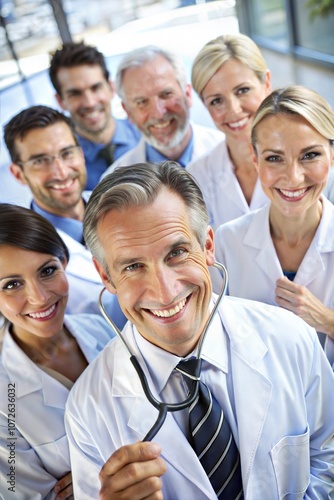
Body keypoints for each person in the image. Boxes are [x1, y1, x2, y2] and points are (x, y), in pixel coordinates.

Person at [64, 162, 334, 499]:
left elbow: (327, 459)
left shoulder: (291, 339)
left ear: (207, 246)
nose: (164, 291)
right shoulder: (89, 409)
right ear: (106, 277)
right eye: (133, 266)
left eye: (176, 253)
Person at [214, 85, 334, 368]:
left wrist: (326, 320)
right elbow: (213, 339)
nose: (293, 178)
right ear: (255, 160)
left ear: (332, 154)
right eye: (274, 158)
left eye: (310, 155)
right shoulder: (229, 241)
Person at [0, 204, 115, 499]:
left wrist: (88, 480)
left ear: (65, 261)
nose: (39, 297)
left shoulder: (102, 330)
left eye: (47, 271)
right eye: (12, 285)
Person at [3, 105, 126, 328]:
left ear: (80, 153)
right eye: (40, 161)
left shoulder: (125, 208)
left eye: (67, 153)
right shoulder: (16, 254)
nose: (60, 172)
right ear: (18, 173)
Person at [187, 34, 271, 230]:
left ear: (266, 83)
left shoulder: (309, 158)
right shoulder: (197, 176)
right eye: (216, 100)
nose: (233, 109)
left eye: (242, 90)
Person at [101, 45, 222, 178]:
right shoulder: (114, 183)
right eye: (141, 102)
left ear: (187, 94)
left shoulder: (225, 152)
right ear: (128, 111)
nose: (158, 113)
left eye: (166, 94)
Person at [49, 41, 141, 190]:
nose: (90, 103)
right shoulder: (63, 171)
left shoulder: (147, 136)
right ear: (61, 101)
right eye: (75, 93)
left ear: (111, 88)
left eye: (96, 87)